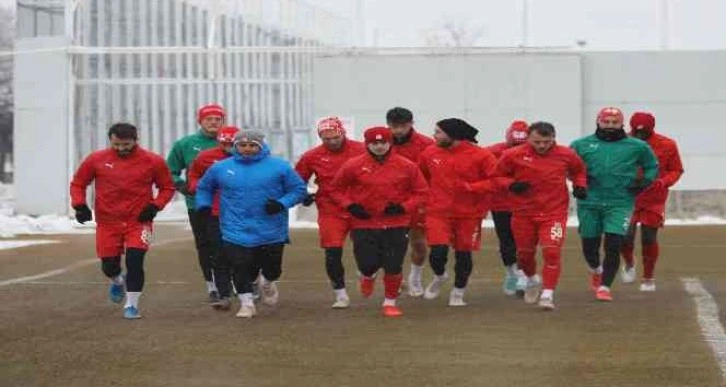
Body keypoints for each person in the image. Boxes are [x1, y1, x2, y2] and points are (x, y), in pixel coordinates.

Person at [195, 130, 306, 318]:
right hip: (235, 227)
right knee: (239, 265)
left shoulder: (279, 167)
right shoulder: (221, 168)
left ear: (261, 147)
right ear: (235, 146)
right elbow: (204, 187)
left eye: (253, 145)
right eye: (242, 145)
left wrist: (281, 203)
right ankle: (246, 304)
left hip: (271, 228)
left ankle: (269, 281)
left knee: (272, 268)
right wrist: (204, 205)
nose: (247, 149)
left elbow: (298, 189)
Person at [70, 123, 175, 319]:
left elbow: (167, 188)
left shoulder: (152, 161)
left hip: (139, 221)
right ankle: (118, 280)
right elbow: (78, 183)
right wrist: (79, 205)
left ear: (135, 140)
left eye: (126, 144)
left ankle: (132, 305)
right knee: (109, 265)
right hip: (108, 221)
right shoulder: (96, 159)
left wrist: (154, 206)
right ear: (111, 140)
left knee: (135, 260)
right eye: (116, 144)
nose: (121, 149)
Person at [331, 127, 428, 317]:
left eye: (383, 142)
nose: (379, 147)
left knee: (393, 264)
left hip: (396, 223)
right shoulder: (353, 165)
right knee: (367, 263)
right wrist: (350, 206)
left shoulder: (406, 165)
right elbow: (335, 189)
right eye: (374, 143)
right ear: (367, 144)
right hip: (364, 223)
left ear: (389, 143)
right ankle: (368, 275)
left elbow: (422, 192)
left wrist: (404, 207)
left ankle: (390, 302)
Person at [495, 122, 587, 310]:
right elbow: (498, 176)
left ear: (554, 138)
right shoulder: (512, 155)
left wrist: (580, 185)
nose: (542, 146)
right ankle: (531, 278)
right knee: (524, 255)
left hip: (554, 213)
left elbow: (579, 171)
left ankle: (547, 294)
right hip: (523, 213)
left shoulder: (566, 154)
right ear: (529, 138)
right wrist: (511, 185)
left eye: (547, 141)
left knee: (551, 251)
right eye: (537, 142)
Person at [570, 107, 658, 301]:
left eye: (615, 122)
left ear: (622, 124)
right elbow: (570, 167)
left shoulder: (637, 146)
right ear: (598, 122)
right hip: (589, 202)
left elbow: (652, 166)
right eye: (606, 122)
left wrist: (645, 181)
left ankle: (605, 286)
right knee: (589, 246)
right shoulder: (580, 145)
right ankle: (596, 269)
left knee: (614, 244)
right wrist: (578, 184)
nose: (610, 126)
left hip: (620, 202)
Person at [418, 118, 498, 306]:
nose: (434, 135)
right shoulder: (429, 153)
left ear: (452, 135)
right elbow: (421, 178)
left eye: (438, 132)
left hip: (469, 214)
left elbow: (496, 181)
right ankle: (439, 276)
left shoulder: (482, 155)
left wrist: (472, 187)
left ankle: (458, 291)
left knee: (463, 254)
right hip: (438, 212)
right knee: (437, 252)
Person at [294, 117, 366, 308]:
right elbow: (297, 180)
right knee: (332, 251)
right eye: (327, 139)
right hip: (330, 208)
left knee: (366, 249)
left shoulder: (362, 149)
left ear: (343, 133)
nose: (333, 142)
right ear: (320, 138)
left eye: (336, 137)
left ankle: (366, 273)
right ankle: (340, 293)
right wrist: (304, 195)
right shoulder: (311, 156)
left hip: (360, 207)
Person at [167, 103, 226, 304]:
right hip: (199, 204)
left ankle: (235, 282)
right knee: (206, 245)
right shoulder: (185, 144)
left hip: (231, 205)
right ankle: (212, 285)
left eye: (217, 119)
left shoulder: (232, 142)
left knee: (232, 245)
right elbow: (169, 170)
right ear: (200, 121)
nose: (213, 123)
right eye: (208, 119)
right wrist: (181, 185)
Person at [620, 112, 683, 291]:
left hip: (653, 198)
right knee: (625, 235)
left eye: (644, 132)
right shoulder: (620, 143)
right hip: (626, 196)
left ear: (652, 129)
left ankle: (648, 277)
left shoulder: (667, 145)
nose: (640, 136)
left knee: (649, 237)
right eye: (636, 132)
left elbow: (676, 169)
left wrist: (663, 182)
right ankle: (629, 262)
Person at [187, 126, 240, 310]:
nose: (229, 148)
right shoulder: (206, 157)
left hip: (243, 212)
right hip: (215, 212)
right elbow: (194, 175)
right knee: (218, 253)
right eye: (225, 144)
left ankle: (249, 283)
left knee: (242, 252)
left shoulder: (252, 158)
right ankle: (223, 294)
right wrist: (196, 189)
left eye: (233, 144)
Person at [385, 107, 435, 297]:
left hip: (417, 201)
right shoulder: (381, 143)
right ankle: (396, 278)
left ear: (411, 124)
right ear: (388, 125)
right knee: (392, 245)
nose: (398, 131)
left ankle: (415, 276)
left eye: (402, 126)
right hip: (389, 201)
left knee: (419, 244)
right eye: (393, 126)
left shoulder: (427, 144)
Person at [486, 120, 530, 296]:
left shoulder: (538, 152)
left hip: (527, 204)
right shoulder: (492, 152)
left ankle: (524, 273)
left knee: (525, 241)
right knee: (506, 241)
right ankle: (512, 272)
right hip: (501, 203)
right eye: (514, 144)